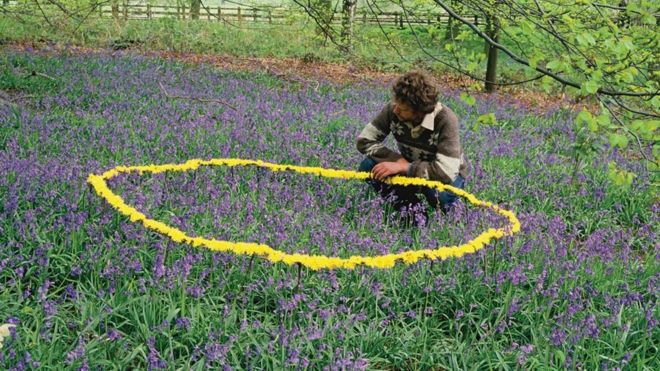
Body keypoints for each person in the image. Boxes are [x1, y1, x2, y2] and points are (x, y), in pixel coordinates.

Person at [356, 71, 468, 226]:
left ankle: (454, 215)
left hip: (447, 175)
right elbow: (364, 140)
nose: (396, 110)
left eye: (403, 109)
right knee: (368, 167)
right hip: (409, 165)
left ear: (419, 112)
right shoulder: (393, 109)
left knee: (439, 194)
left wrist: (405, 167)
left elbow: (446, 171)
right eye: (395, 104)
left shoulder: (445, 120)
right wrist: (397, 161)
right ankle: (413, 212)